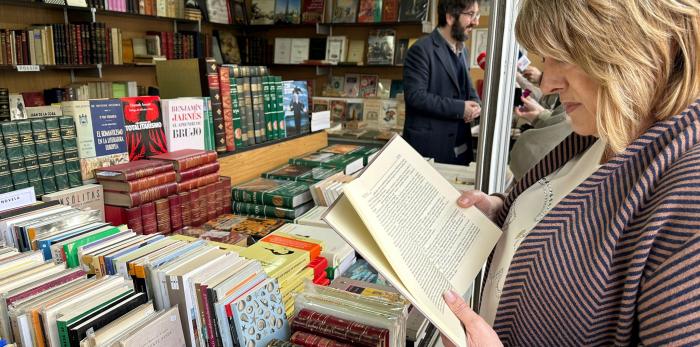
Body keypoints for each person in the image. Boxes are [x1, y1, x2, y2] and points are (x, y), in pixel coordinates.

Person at [442, 0, 700, 345]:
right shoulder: (605, 130)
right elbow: (564, 210)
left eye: (562, 57)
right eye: (544, 59)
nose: (547, 84)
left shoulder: (689, 190)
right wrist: (502, 212)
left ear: (633, 48)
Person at [403, 0, 481, 165]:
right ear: (450, 17)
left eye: (477, 15)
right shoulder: (421, 50)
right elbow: (416, 97)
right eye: (471, 14)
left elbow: (466, 87)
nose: (476, 21)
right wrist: (461, 108)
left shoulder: (463, 50)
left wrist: (476, 103)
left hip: (461, 149)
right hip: (431, 149)